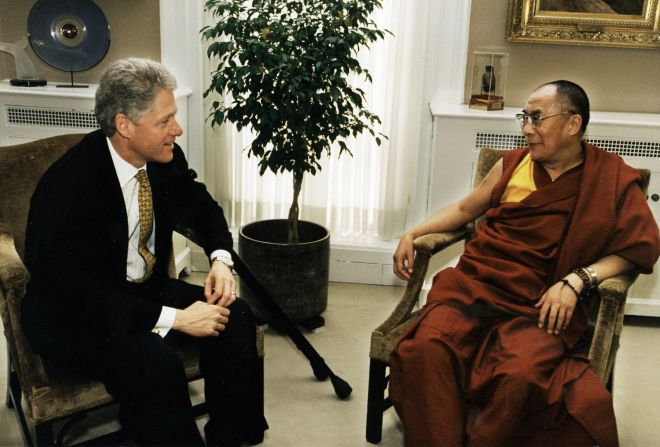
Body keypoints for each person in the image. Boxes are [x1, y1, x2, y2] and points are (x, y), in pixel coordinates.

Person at [390, 80, 660, 447]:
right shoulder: (512, 165)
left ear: (572, 124)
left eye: (537, 118)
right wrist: (413, 232)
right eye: (525, 118)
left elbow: (637, 249)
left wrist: (577, 280)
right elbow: (464, 210)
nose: (527, 129)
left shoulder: (610, 178)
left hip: (538, 304)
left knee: (522, 373)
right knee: (424, 350)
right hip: (475, 287)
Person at [21, 58, 267, 447]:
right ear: (124, 125)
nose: (178, 130)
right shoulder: (69, 188)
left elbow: (201, 207)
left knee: (234, 315)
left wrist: (220, 259)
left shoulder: (163, 159)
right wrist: (176, 317)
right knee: (154, 363)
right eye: (165, 120)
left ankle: (231, 437)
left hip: (138, 291)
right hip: (74, 316)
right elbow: (79, 295)